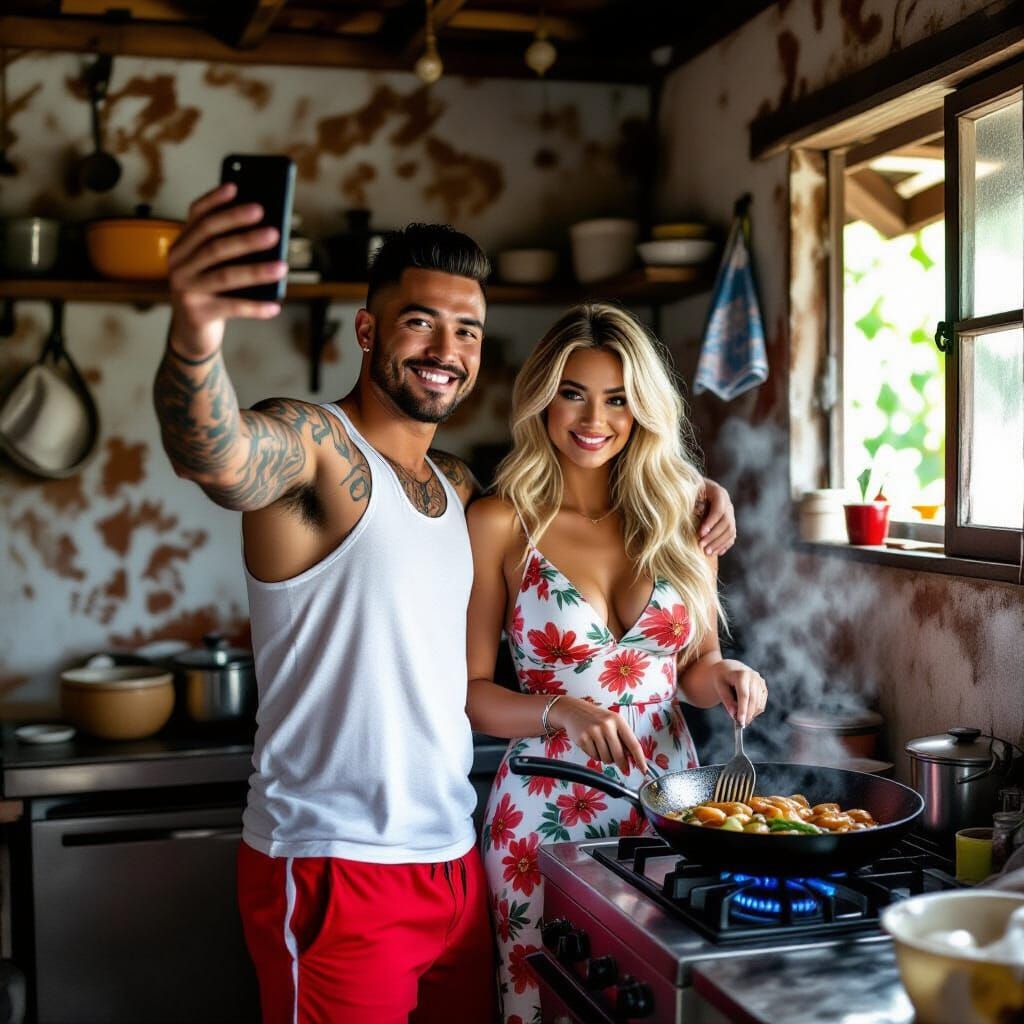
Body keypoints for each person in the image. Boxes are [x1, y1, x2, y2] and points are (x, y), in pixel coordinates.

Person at [154, 182, 737, 1023]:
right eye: (420, 320)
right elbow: (217, 454)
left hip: (455, 855)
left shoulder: (456, 488)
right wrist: (197, 329)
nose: (446, 347)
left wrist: (694, 490)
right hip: (333, 861)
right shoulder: (315, 451)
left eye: (466, 329)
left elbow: (590, 491)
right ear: (367, 330)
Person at [465, 303, 768, 1024]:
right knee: (547, 1006)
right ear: (543, 397)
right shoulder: (500, 521)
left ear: (644, 408)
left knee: (656, 1003)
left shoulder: (682, 516)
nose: (593, 417)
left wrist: (725, 676)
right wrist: (557, 709)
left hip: (671, 806)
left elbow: (694, 667)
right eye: (573, 392)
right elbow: (473, 693)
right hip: (541, 814)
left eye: (618, 397)